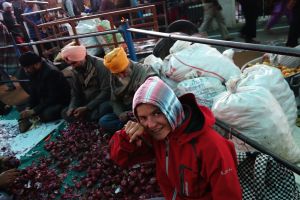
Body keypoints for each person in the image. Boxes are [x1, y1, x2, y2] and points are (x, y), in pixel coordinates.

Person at [110, 76, 242, 199]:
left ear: (171, 108)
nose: (150, 124)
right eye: (143, 118)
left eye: (157, 113)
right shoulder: (158, 134)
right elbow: (121, 158)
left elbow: (229, 195)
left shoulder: (212, 146)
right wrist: (127, 136)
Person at [99, 47, 158, 133]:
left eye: (123, 72)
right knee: (103, 118)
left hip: (143, 111)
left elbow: (150, 103)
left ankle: (128, 128)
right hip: (126, 110)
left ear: (128, 64)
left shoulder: (145, 73)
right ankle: (128, 128)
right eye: (117, 74)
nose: (121, 76)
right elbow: (115, 100)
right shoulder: (114, 77)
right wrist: (120, 114)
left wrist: (130, 114)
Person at [18, 52, 71, 132]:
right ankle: (33, 116)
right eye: (24, 68)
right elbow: (33, 92)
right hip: (44, 98)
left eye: (27, 67)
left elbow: (53, 97)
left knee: (47, 114)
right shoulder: (33, 72)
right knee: (21, 107)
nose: (26, 70)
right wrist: (28, 107)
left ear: (36, 64)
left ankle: (36, 117)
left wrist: (34, 110)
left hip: (59, 100)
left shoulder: (51, 73)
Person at [60, 45, 112, 123]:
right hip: (87, 101)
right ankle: (87, 117)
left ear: (82, 58)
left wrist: (87, 107)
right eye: (70, 64)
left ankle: (88, 117)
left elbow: (106, 92)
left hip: (101, 101)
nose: (72, 67)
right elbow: (75, 93)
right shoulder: (76, 70)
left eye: (74, 63)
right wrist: (72, 107)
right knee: (65, 112)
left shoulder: (101, 66)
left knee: (105, 108)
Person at [0, 22, 17, 92]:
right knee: (3, 71)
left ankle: (33, 88)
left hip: (7, 53)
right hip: (6, 53)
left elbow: (2, 45)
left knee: (16, 70)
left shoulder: (0, 27)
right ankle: (10, 85)